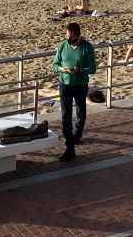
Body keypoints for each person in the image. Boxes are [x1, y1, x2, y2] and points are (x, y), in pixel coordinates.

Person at [51, 21, 97, 161]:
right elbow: (54, 64)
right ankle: (69, 146)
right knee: (66, 116)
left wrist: (80, 70)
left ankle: (76, 136)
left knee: (80, 113)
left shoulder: (87, 47)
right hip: (64, 84)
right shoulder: (63, 45)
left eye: (71, 37)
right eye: (67, 36)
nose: (68, 39)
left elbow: (93, 68)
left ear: (78, 35)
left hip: (80, 85)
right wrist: (61, 69)